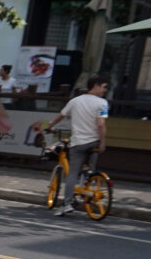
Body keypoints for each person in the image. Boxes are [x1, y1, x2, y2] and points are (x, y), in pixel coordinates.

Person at [38, 75, 110, 216]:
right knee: (90, 168)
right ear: (95, 86)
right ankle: (87, 186)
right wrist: (103, 142)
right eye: (104, 87)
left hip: (78, 143)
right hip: (94, 142)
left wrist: (51, 126)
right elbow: (101, 124)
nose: (105, 90)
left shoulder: (75, 101)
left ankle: (68, 203)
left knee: (72, 173)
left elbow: (61, 115)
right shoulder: (102, 103)